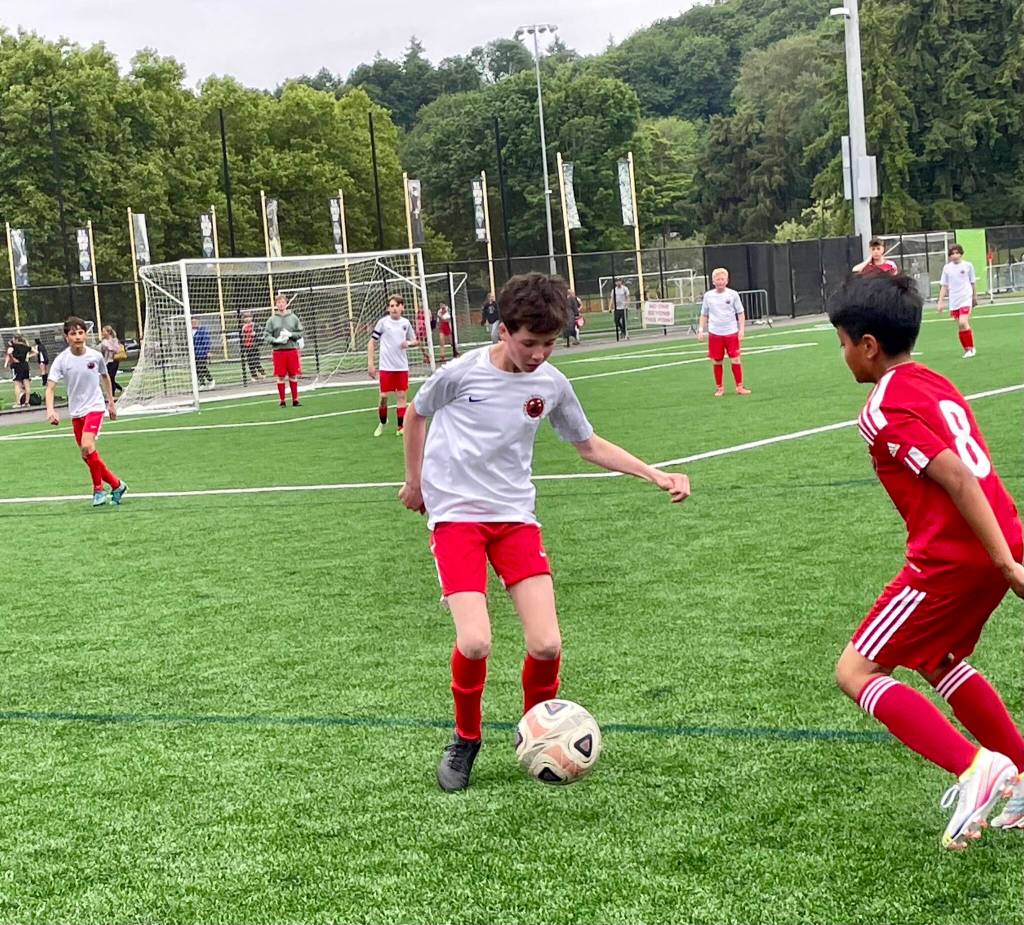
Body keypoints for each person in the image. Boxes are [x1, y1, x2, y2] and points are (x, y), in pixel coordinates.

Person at [398, 272, 691, 792]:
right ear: (503, 331)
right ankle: (466, 740)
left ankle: (539, 731)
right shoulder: (460, 373)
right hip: (457, 519)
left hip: (514, 518)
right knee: (475, 642)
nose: (538, 355)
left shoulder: (552, 383)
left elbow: (588, 444)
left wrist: (655, 473)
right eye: (529, 343)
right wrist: (415, 480)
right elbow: (416, 414)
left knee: (547, 644)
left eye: (549, 344)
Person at [827, 273, 1024, 849]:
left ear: (867, 345)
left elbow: (957, 477)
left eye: (842, 342)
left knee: (856, 673)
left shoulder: (881, 409)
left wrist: (1000, 563)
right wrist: (1007, 557)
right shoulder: (937, 383)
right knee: (938, 657)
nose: (842, 355)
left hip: (953, 560)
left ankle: (975, 767)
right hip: (1003, 538)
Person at [45, 316, 127, 507]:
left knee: (86, 445)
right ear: (67, 337)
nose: (78, 337)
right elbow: (50, 388)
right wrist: (51, 410)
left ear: (86, 335)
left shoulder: (95, 356)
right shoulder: (61, 360)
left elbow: (106, 378)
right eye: (73, 334)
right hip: (76, 412)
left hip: (95, 408)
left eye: (81, 333)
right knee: (87, 454)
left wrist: (111, 403)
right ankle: (117, 484)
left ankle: (98, 490)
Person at [368, 294, 416, 436]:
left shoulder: (406, 323)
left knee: (402, 396)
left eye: (396, 305)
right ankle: (383, 422)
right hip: (386, 367)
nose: (394, 308)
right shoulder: (383, 323)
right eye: (391, 306)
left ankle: (400, 427)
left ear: (402, 307)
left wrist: (409, 343)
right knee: (383, 397)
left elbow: (415, 341)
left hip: (401, 367)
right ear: (388, 308)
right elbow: (372, 342)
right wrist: (371, 364)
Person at [697, 268, 751, 397]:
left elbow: (740, 313)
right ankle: (719, 388)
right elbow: (704, 314)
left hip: (731, 332)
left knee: (736, 359)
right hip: (715, 333)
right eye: (717, 279)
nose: (720, 282)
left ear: (727, 281)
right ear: (713, 281)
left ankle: (739, 386)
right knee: (717, 361)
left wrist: (741, 330)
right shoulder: (708, 296)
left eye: (722, 279)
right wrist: (700, 330)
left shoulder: (733, 294)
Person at [937, 244, 978, 359]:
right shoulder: (947, 268)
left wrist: (974, 297)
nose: (955, 256)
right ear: (949, 256)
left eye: (957, 253)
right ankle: (968, 349)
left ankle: (971, 348)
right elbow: (944, 286)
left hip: (966, 297)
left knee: (962, 322)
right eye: (952, 254)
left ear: (961, 253)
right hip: (954, 300)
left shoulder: (968, 266)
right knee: (961, 326)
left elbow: (972, 282)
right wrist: (940, 301)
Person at [263, 292, 304, 407]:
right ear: (276, 304)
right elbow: (266, 335)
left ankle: (295, 399)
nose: (281, 305)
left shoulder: (293, 318)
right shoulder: (271, 320)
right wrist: (276, 340)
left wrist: (291, 334)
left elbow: (300, 332)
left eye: (283, 302)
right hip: (279, 352)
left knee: (293, 375)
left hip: (291, 350)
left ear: (286, 304)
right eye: (278, 303)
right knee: (280, 376)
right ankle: (282, 400)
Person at [6, 335, 32, 407]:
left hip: (18, 366)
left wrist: (11, 356)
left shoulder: (14, 347)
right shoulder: (25, 346)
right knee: (27, 384)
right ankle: (27, 402)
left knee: (17, 384)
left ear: (16, 340)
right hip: (25, 365)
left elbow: (10, 352)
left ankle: (18, 403)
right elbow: (35, 351)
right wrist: (28, 356)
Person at [99, 326, 124, 396]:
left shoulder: (114, 340)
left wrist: (111, 347)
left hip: (114, 360)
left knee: (111, 376)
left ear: (108, 332)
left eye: (104, 331)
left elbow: (117, 349)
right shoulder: (104, 342)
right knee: (108, 377)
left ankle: (113, 392)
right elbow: (103, 350)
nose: (102, 333)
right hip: (107, 361)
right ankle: (117, 387)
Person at [240, 312, 265, 381]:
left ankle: (262, 372)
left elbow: (261, 334)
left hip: (254, 346)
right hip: (247, 347)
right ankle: (254, 376)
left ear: (252, 317)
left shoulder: (255, 325)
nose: (247, 319)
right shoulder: (243, 327)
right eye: (245, 317)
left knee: (256, 361)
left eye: (249, 317)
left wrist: (255, 334)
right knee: (250, 362)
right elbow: (242, 337)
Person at [190, 317, 214, 390]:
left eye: (195, 322)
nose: (194, 323)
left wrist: (207, 351)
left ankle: (211, 380)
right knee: (196, 368)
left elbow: (206, 341)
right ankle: (202, 383)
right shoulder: (190, 331)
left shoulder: (202, 331)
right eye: (192, 322)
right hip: (194, 353)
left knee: (202, 367)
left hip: (202, 352)